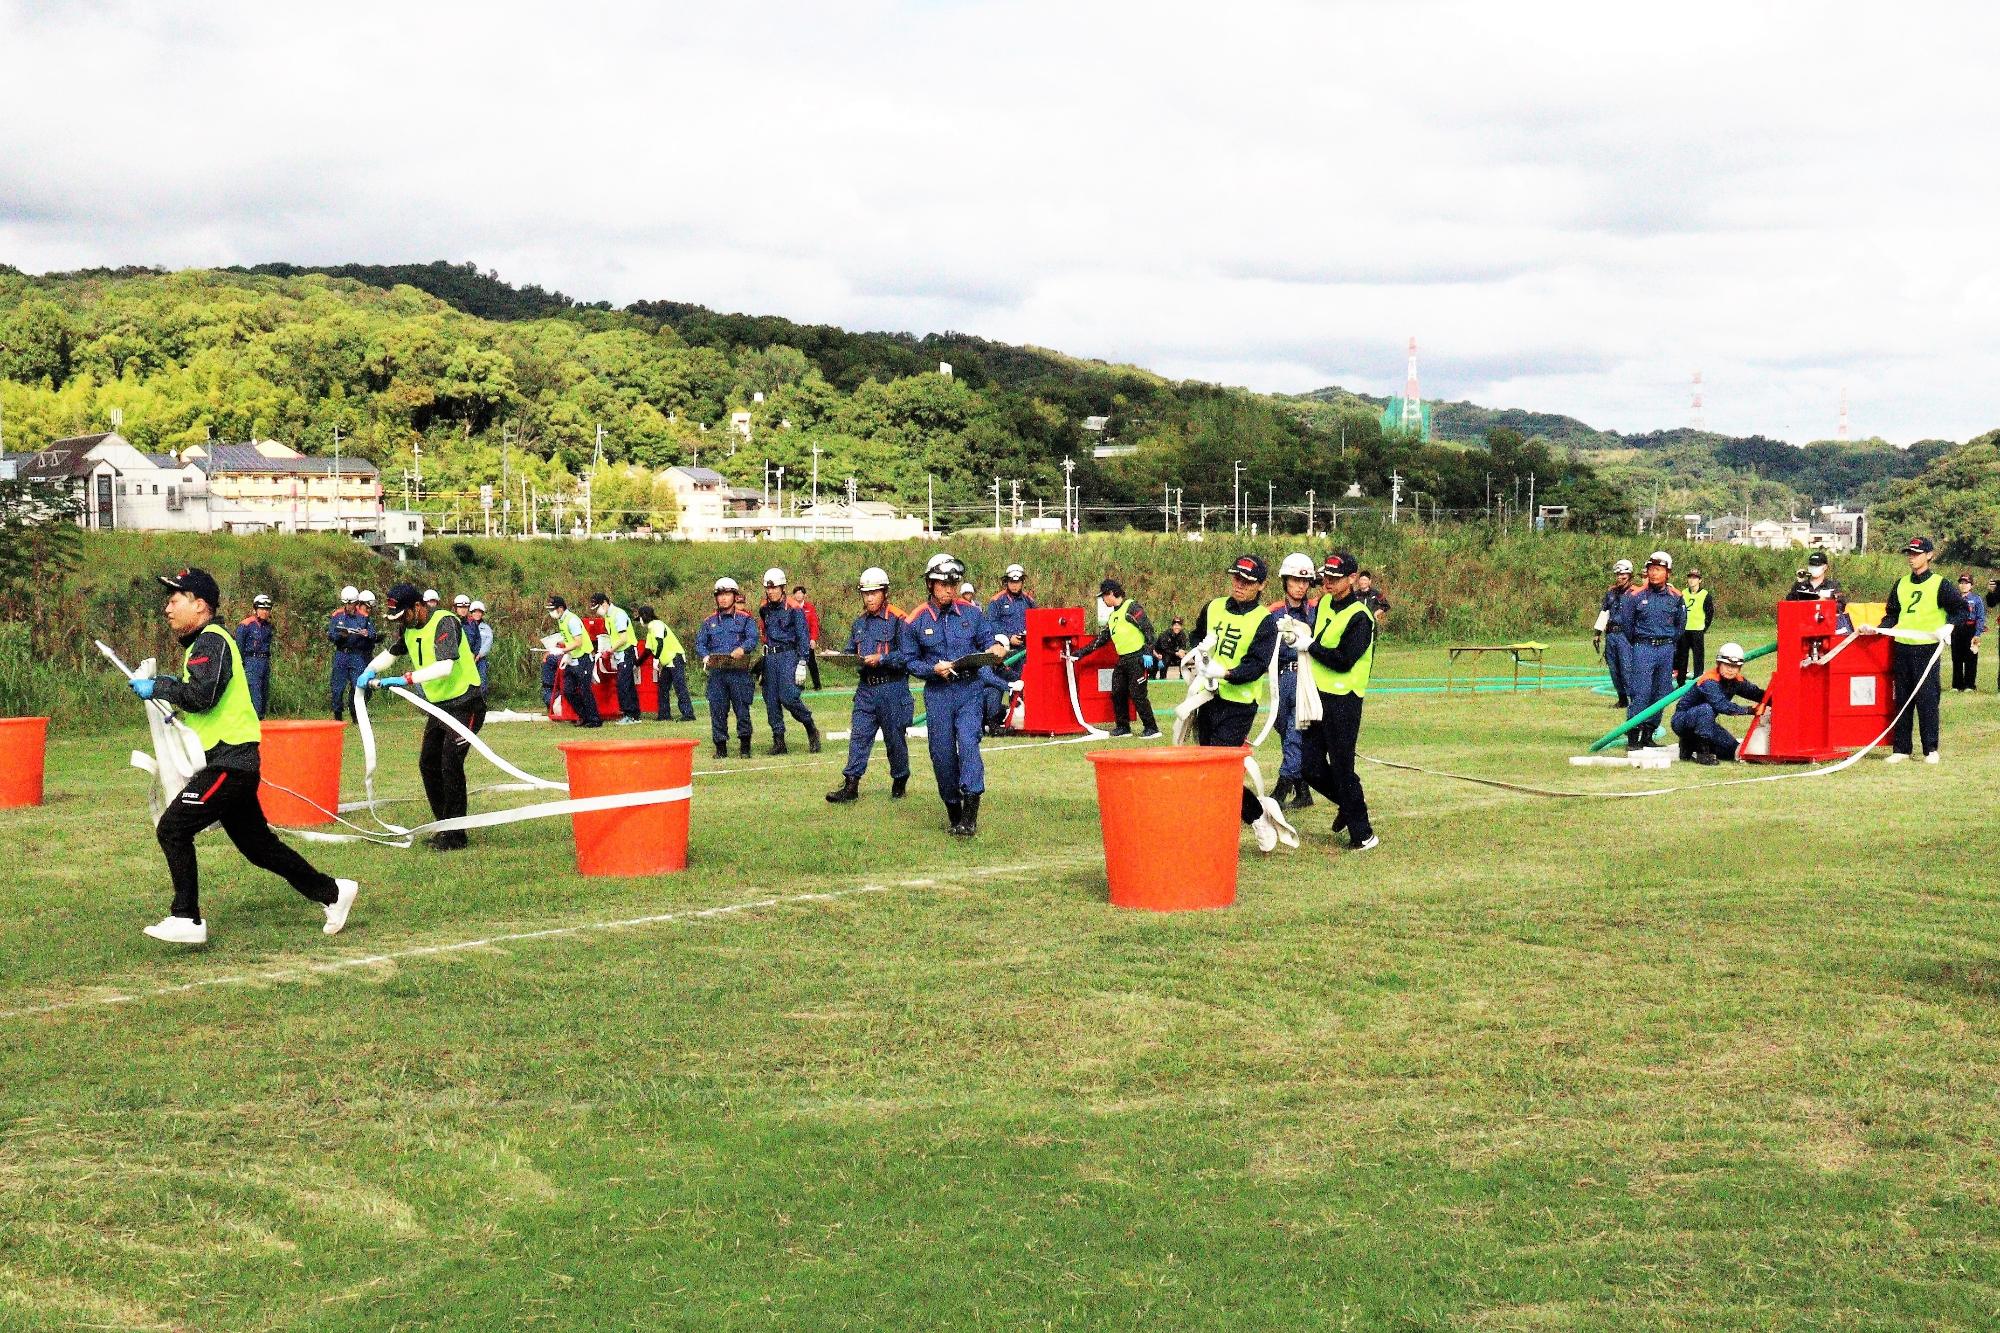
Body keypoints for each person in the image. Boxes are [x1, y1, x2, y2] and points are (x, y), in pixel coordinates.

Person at [129, 567, 359, 944]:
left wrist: (159, 686)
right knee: (259, 847)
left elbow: (203, 696)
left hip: (230, 762)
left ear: (200, 606)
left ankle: (186, 917)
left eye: (174, 600)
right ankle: (333, 892)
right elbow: (201, 698)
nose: (167, 609)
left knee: (173, 828)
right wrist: (164, 691)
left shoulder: (212, 640)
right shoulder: (200, 645)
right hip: (228, 761)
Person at [359, 584, 489, 851]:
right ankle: (443, 826)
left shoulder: (445, 623)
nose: (401, 623)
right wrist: (369, 669)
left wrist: (405, 679)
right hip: (440, 706)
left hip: (466, 703)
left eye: (402, 616)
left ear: (417, 607)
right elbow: (394, 651)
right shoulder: (409, 626)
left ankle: (455, 835)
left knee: (450, 763)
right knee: (428, 763)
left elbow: (445, 667)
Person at [901, 553, 1010, 835]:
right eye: (943, 584)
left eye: (954, 583)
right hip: (938, 695)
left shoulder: (972, 613)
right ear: (930, 584)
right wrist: (931, 669)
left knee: (969, 744)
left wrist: (998, 649)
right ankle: (954, 810)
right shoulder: (915, 620)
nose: (950, 589)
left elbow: (990, 640)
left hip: (969, 690)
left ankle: (971, 815)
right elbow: (910, 661)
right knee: (942, 754)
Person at [1185, 555, 1286, 853]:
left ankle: (1256, 817)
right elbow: (1196, 635)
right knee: (1207, 770)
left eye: (1247, 581)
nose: (1239, 585)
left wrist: (1225, 672)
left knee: (1221, 771)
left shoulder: (1264, 622)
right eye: (1236, 578)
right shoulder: (1214, 606)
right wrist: (1199, 652)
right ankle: (1224, 825)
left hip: (1239, 704)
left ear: (1261, 585)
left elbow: (1256, 666)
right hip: (1207, 697)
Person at [1299, 552, 1379, 852]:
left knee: (1343, 766)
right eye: (1326, 577)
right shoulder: (1323, 605)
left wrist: (1312, 647)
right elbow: (1319, 639)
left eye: (1335, 578)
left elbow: (1344, 660)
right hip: (1318, 696)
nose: (1328, 582)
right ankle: (1348, 802)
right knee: (1309, 766)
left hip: (1345, 700)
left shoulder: (1361, 617)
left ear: (1352, 579)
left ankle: (1364, 834)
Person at [1867, 535, 1966, 763]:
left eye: (1916, 553)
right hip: (1902, 647)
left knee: (1927, 699)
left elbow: (1960, 610)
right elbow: (1892, 614)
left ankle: (1930, 749)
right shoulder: (1901, 583)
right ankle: (1901, 749)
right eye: (1909, 554)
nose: (1912, 558)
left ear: (1929, 555)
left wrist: (1948, 626)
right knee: (1901, 698)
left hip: (1927, 649)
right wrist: (1879, 630)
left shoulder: (1940, 584)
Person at [826, 566, 913, 804]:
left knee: (894, 740)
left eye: (874, 593)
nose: (869, 598)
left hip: (892, 688)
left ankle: (900, 778)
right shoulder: (859, 623)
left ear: (884, 592)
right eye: (865, 593)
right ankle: (851, 783)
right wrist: (837, 656)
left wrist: (882, 658)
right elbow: (850, 651)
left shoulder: (899, 619)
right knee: (859, 736)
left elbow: (908, 655)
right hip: (866, 688)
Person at [1616, 551, 1684, 751]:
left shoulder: (1676, 597)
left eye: (1658, 570)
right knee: (1641, 692)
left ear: (1668, 573)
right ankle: (1633, 735)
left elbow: (1680, 626)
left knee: (1661, 693)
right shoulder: (1635, 596)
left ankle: (1648, 733)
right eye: (1651, 570)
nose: (1654, 574)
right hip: (1643, 648)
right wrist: (1641, 642)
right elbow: (1628, 625)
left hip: (1666, 649)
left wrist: (1668, 644)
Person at [1268, 553, 1318, 810]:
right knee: (1284, 732)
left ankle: (1280, 790)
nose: (1301, 585)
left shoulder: (1318, 610)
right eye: (1295, 580)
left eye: (1305, 581)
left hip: (1306, 677)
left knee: (1294, 735)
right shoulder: (1273, 612)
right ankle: (1303, 792)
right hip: (1280, 679)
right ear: (1285, 580)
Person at [1081, 579, 1161, 738]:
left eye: (1103, 596)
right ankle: (1123, 727)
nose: (1103, 600)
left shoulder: (1132, 608)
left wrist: (1147, 651)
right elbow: (1101, 639)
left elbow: (1149, 630)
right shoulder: (1112, 617)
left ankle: (1151, 728)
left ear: (1111, 593)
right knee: (1117, 692)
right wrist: (1080, 653)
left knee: (1137, 694)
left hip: (1137, 658)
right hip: (1123, 659)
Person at [757, 568, 821, 754]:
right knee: (771, 700)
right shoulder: (764, 608)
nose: (771, 591)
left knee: (789, 697)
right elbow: (764, 632)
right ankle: (779, 741)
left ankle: (810, 727)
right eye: (768, 588)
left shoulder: (794, 609)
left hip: (788, 656)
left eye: (774, 588)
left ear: (783, 588)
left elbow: (803, 636)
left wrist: (802, 662)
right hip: (770, 657)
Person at [1671, 641, 1766, 764]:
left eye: (1735, 666)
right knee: (1706, 709)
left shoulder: (1737, 681)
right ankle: (1702, 754)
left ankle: (1690, 744)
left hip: (1706, 723)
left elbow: (1757, 694)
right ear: (1718, 663)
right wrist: (1749, 710)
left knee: (1733, 749)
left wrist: (1778, 699)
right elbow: (1721, 705)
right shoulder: (1709, 681)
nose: (1731, 670)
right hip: (1682, 721)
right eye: (1727, 665)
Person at [696, 576, 759, 758]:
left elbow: (752, 638)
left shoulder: (745, 619)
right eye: (720, 595)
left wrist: (743, 648)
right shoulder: (709, 622)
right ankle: (720, 748)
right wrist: (705, 655)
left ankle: (745, 747)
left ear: (734, 596)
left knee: (742, 710)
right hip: (717, 673)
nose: (723, 598)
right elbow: (700, 643)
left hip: (738, 672)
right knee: (717, 710)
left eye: (727, 594)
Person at [546, 595, 602, 728]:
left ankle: (594, 719)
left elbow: (578, 642)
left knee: (584, 690)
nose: (551, 613)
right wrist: (562, 648)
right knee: (567, 689)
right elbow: (568, 639)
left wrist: (562, 651)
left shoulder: (572, 620)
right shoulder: (561, 620)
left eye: (553, 609)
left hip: (583, 658)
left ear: (560, 608)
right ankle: (583, 715)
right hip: (572, 658)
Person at [590, 591, 644, 724]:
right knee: (628, 684)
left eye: (597, 608)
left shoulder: (618, 614)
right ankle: (634, 714)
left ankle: (629, 714)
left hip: (626, 651)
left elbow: (623, 638)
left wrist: (609, 651)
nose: (597, 611)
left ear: (604, 603)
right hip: (620, 653)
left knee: (623, 684)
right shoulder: (608, 617)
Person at [639, 604, 697, 722]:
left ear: (644, 616)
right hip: (667, 661)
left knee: (679, 687)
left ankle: (688, 714)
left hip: (675, 657)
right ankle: (664, 714)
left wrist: (655, 659)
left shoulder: (657, 625)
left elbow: (659, 643)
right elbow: (647, 650)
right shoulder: (650, 630)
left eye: (639, 617)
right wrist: (637, 664)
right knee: (663, 687)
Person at [1593, 559, 1636, 709]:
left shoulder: (1635, 594)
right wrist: (1597, 632)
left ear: (1629, 575)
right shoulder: (1611, 593)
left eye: (1623, 575)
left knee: (1627, 668)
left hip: (1626, 635)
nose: (1619, 578)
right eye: (1618, 575)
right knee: (1614, 668)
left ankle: (1634, 700)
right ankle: (1622, 699)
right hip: (1611, 635)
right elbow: (1604, 612)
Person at [327, 585, 374, 721]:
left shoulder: (363, 617)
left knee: (359, 685)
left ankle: (356, 714)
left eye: (351, 603)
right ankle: (338, 715)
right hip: (342, 654)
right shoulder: (337, 615)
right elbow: (331, 635)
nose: (349, 606)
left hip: (356, 655)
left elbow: (372, 633)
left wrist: (366, 634)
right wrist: (341, 635)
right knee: (337, 687)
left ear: (356, 603)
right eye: (346, 603)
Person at [234, 593, 275, 717]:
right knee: (254, 693)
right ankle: (254, 721)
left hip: (264, 661)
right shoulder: (246, 625)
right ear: (256, 609)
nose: (265, 612)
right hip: (251, 661)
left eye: (267, 609)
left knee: (264, 693)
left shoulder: (268, 627)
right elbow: (239, 647)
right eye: (262, 609)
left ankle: (262, 722)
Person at [1787, 552, 1849, 630]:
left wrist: (1825, 602)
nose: (1813, 568)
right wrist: (1798, 582)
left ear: (1825, 567)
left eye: (1817, 565)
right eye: (1811, 565)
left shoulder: (1832, 585)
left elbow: (1841, 606)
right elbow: (1789, 603)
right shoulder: (1801, 585)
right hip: (1803, 626)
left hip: (1825, 626)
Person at [1675, 568, 1713, 686]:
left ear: (1699, 580)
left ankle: (1698, 682)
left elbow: (1709, 612)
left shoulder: (1705, 594)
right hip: (1684, 631)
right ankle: (1680, 683)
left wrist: (1704, 627)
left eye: (1695, 578)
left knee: (1698, 658)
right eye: (1690, 577)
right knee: (1682, 658)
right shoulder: (1683, 593)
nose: (1692, 580)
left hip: (1697, 631)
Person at [1949, 574, 1985, 692]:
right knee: (1956, 657)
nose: (1963, 585)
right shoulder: (1954, 598)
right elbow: (1950, 614)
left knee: (1971, 657)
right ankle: (1957, 685)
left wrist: (1977, 633)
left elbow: (1980, 617)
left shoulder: (1976, 599)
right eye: (1961, 583)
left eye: (1966, 583)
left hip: (1971, 629)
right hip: (1957, 629)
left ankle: (1969, 684)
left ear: (1971, 585)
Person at [789, 585, 823, 691]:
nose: (799, 595)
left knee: (811, 662)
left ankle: (817, 684)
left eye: (800, 593)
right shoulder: (790, 608)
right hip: (794, 641)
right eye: (797, 593)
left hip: (807, 640)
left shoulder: (809, 607)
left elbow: (814, 624)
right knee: (795, 662)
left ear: (804, 595)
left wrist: (813, 639)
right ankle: (799, 685)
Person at [464, 600, 492, 689]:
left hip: (480, 659)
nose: (477, 614)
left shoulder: (486, 628)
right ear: (471, 612)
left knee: (482, 679)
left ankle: (482, 697)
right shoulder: (465, 626)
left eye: (480, 612)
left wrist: (479, 655)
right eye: (475, 612)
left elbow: (488, 643)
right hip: (466, 658)